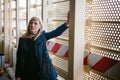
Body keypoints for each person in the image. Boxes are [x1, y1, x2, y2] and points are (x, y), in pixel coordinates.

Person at [15, 12, 69, 80]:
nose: (32, 25)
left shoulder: (43, 36)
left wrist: (66, 23)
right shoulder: (22, 39)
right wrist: (18, 75)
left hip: (42, 72)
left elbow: (56, 32)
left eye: (35, 23)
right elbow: (19, 58)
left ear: (40, 26)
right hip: (27, 72)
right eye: (31, 23)